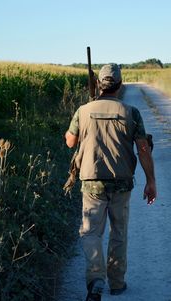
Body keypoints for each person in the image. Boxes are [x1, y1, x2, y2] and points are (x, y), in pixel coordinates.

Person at [64, 63, 157, 301]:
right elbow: (143, 150)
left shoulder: (83, 110)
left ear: (98, 84)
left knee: (91, 232)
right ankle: (116, 283)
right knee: (119, 232)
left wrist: (84, 120)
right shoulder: (131, 112)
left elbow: (70, 142)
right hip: (122, 182)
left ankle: (96, 278)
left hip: (91, 182)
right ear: (120, 84)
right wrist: (151, 181)